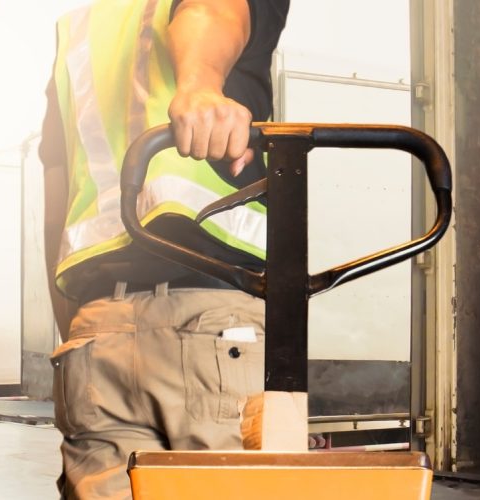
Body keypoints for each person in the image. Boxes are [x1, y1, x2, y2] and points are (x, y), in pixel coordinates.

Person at [39, 0, 288, 497]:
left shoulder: (81, 30)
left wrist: (75, 328)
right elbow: (212, 11)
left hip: (96, 330)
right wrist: (198, 82)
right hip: (213, 321)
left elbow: (55, 204)